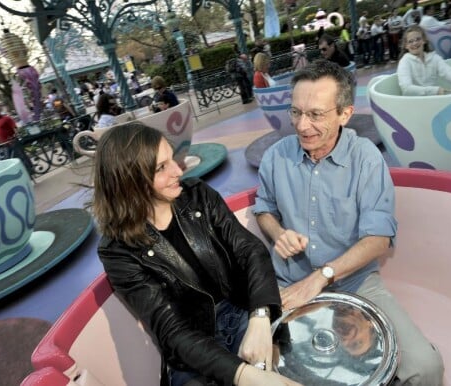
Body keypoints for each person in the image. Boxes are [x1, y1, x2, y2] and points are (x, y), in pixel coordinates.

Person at [253, 60, 445, 386]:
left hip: (355, 283)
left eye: (315, 114)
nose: (302, 125)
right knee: (261, 369)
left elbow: (379, 238)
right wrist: (278, 231)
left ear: (345, 113)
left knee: (426, 367)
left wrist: (321, 277)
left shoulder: (366, 157)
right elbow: (264, 209)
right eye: (296, 112)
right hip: (287, 284)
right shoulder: (276, 155)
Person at [92, 122, 301, 386]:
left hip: (240, 312)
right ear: (128, 181)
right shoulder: (117, 251)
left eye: (172, 160)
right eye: (161, 167)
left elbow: (251, 251)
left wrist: (259, 316)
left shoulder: (197, 195)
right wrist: (243, 374)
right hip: (191, 348)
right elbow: (172, 332)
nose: (178, 170)